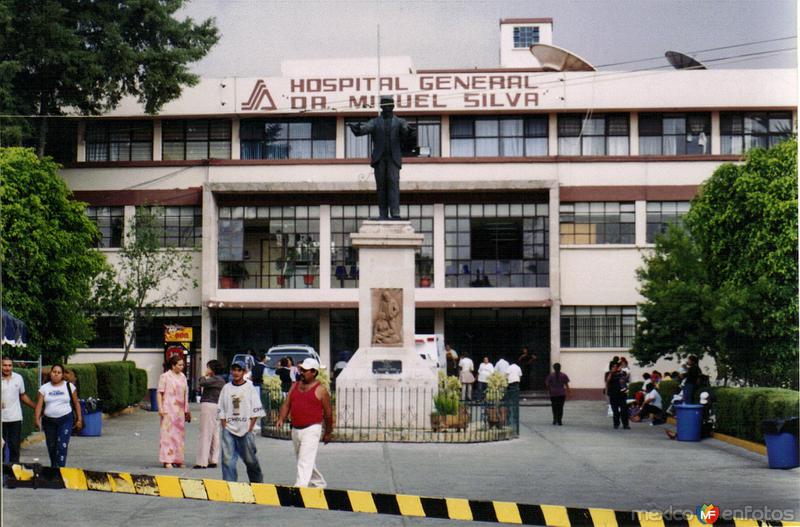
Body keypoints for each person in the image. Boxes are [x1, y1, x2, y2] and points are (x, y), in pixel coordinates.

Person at [347, 96, 416, 220]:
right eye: (384, 106)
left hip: (393, 158)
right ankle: (383, 214)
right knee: (381, 187)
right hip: (379, 158)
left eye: (389, 106)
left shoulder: (400, 121)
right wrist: (357, 128)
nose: (387, 108)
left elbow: (406, 130)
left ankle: (395, 213)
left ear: (393, 106)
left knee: (393, 184)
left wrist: (410, 131)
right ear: (381, 107)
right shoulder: (375, 122)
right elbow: (364, 128)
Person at [276, 358, 333, 488]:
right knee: (303, 458)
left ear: (314, 372)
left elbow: (328, 414)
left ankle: (300, 487)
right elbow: (287, 404)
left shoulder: (321, 390)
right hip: (296, 428)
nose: (302, 372)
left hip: (312, 428)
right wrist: (281, 418)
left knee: (304, 460)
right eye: (301, 369)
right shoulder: (294, 385)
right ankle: (319, 482)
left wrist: (328, 433)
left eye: (305, 371)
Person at [217, 360, 265, 482]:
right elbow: (221, 407)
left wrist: (250, 427)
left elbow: (256, 408)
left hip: (245, 428)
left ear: (244, 372)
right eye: (234, 370)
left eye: (239, 370)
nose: (236, 373)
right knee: (228, 460)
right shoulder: (226, 388)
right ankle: (230, 485)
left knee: (250, 460)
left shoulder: (250, 387)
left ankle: (257, 483)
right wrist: (224, 424)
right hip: (229, 428)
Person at [34, 364, 82, 467]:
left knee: (62, 446)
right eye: (54, 372)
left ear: (62, 375)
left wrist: (79, 419)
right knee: (51, 447)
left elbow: (76, 403)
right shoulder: (44, 388)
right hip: (49, 422)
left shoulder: (69, 386)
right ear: (50, 373)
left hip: (65, 420)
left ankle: (61, 469)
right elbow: (39, 405)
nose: (56, 374)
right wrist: (37, 419)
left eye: (59, 372)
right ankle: (54, 468)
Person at [157, 354, 191, 469]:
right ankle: (167, 460)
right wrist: (160, 408)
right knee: (167, 435)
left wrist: (187, 410)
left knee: (179, 436)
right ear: (173, 365)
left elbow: (186, 394)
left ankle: (178, 459)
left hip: (179, 412)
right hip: (168, 409)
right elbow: (160, 393)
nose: (182, 367)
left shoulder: (182, 377)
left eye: (183, 365)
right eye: (180, 365)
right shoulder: (165, 376)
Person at [2, 357, 36, 463]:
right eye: (4, 365)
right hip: (1, 419)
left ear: (12, 366)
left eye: (9, 365)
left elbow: (23, 396)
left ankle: (14, 472)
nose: (7, 368)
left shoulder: (18, 378)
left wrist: (36, 407)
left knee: (14, 447)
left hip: (15, 418)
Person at [194, 359, 225, 469]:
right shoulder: (221, 380)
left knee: (205, 433)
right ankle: (213, 459)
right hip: (217, 407)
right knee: (215, 433)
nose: (206, 369)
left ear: (212, 369)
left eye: (208, 367)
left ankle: (202, 461)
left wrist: (204, 375)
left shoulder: (215, 379)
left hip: (208, 406)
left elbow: (202, 382)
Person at [605, 360, 630, 430]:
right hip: (613, 394)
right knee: (615, 410)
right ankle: (616, 423)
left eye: (616, 366)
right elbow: (607, 381)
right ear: (611, 367)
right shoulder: (608, 373)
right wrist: (611, 373)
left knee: (624, 409)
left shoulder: (622, 373)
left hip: (622, 394)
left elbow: (625, 380)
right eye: (613, 366)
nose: (615, 367)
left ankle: (625, 424)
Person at [505, 358, 522, 427]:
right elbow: (520, 375)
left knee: (511, 393)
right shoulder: (518, 367)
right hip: (516, 381)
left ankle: (511, 399)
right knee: (516, 393)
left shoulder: (509, 367)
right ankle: (515, 399)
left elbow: (506, 375)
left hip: (511, 382)